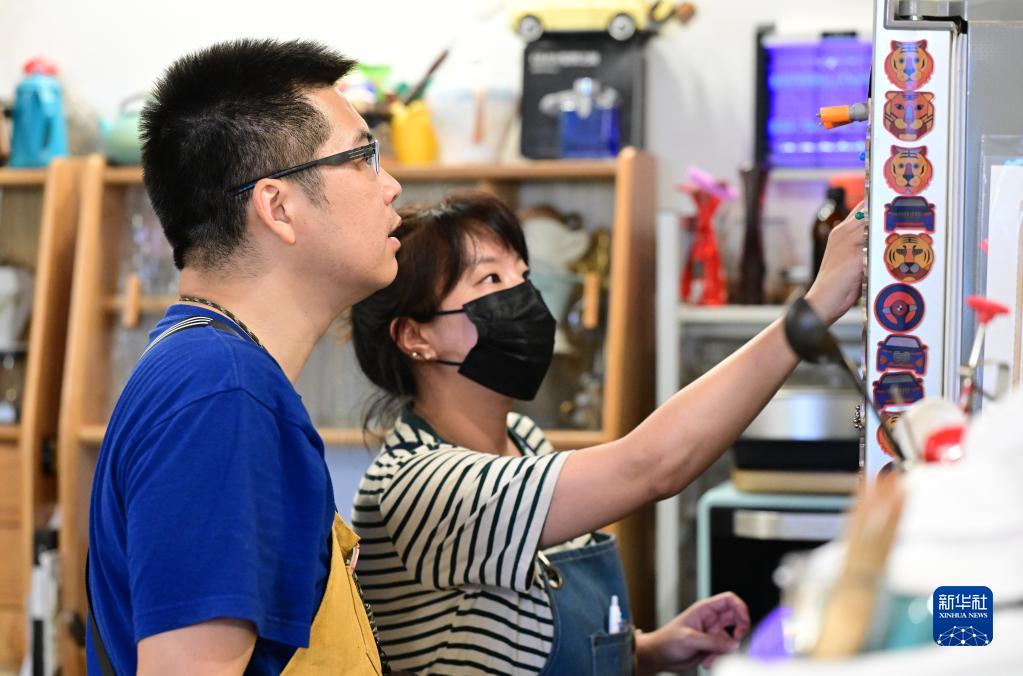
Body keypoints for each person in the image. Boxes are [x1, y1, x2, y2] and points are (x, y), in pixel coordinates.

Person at [350, 190, 865, 674]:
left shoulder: (522, 439)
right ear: (415, 336)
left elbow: (515, 628)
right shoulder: (417, 485)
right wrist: (812, 312)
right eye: (491, 279)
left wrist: (648, 650)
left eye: (523, 273)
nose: (524, 295)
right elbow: (650, 466)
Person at [87, 39, 402, 675]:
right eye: (362, 157)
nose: (391, 186)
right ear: (277, 206)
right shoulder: (220, 392)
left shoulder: (211, 369)